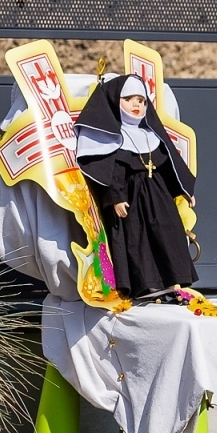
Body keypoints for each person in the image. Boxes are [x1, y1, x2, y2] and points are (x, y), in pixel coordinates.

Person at [74, 75, 198, 298]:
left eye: (141, 100)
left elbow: (167, 166)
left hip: (159, 196)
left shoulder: (151, 135)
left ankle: (174, 280)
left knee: (168, 234)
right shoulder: (113, 137)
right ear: (115, 102)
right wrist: (116, 197)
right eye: (129, 99)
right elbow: (113, 172)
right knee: (138, 240)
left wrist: (183, 189)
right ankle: (145, 284)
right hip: (132, 200)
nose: (136, 105)